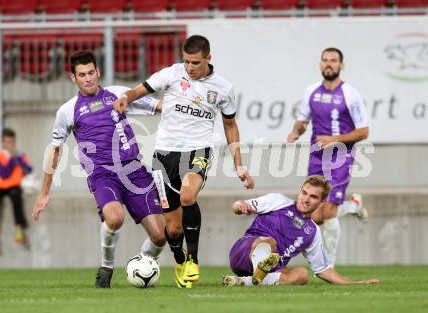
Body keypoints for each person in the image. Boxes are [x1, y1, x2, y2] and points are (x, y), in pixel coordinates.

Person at [113, 34, 255, 288]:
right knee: (174, 229)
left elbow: (230, 125)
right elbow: (139, 90)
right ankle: (179, 259)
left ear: (208, 59)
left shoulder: (224, 88)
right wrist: (126, 99)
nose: (190, 68)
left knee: (189, 196)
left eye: (196, 63)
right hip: (164, 154)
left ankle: (193, 260)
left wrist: (239, 163)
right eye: (187, 61)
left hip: (197, 150)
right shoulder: (172, 74)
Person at [32, 50, 166, 288]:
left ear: (98, 72)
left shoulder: (118, 94)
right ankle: (106, 266)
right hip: (103, 174)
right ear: (73, 78)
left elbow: (158, 106)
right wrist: (44, 192)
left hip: (134, 169)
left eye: (91, 72)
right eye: (82, 74)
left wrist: (188, 109)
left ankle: (142, 268)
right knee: (114, 218)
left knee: (159, 236)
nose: (88, 78)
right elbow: (55, 150)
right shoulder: (67, 110)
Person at [286, 47, 369, 265]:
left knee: (330, 209)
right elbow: (302, 120)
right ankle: (352, 206)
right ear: (320, 64)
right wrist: (296, 131)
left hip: (341, 157)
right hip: (317, 157)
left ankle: (327, 265)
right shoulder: (311, 91)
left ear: (342, 65)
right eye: (325, 60)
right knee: (315, 215)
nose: (328, 64)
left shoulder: (351, 94)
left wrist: (333, 140)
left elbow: (363, 131)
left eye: (333, 60)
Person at [223, 175, 379, 287]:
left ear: (321, 202)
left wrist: (356, 284)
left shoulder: (312, 232)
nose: (306, 199)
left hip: (272, 268)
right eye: (304, 193)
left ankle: (245, 282)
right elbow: (237, 205)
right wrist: (240, 206)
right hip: (243, 253)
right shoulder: (278, 201)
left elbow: (323, 270)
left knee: (302, 275)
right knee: (270, 243)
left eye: (312, 196)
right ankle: (259, 273)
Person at [0, 128, 33, 248]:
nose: (10, 145)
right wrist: (12, 159)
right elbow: (4, 173)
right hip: (0, 186)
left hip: (14, 185)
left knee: (16, 198)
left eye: (12, 142)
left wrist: (17, 159)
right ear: (3, 143)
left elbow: (28, 169)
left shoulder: (20, 154)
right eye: (7, 142)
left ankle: (19, 228)